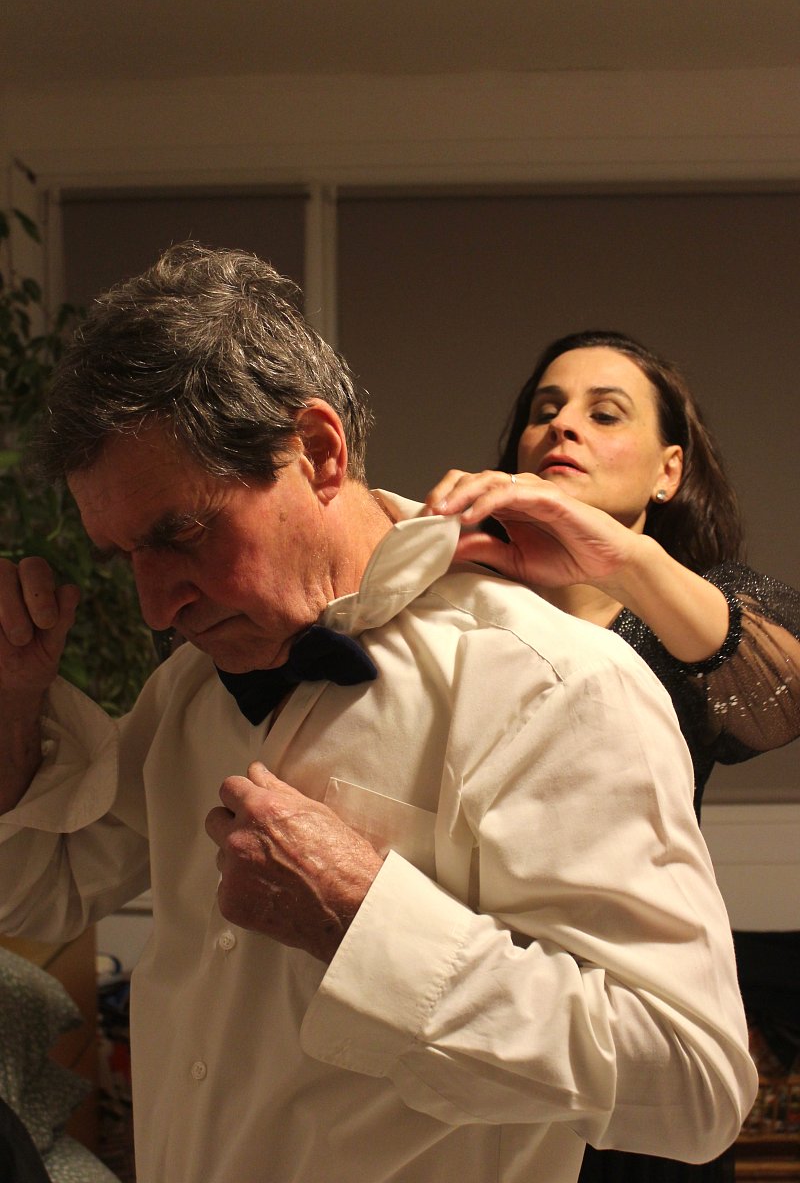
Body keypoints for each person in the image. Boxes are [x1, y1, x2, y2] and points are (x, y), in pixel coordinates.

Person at [0, 252, 757, 1183]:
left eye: (182, 533)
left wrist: (362, 920)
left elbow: (694, 1084)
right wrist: (13, 704)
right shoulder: (189, 689)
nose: (156, 606)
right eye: (125, 557)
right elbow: (37, 893)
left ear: (318, 453)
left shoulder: (550, 683)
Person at [425, 329, 800, 1180]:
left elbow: (784, 694)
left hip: (640, 1032)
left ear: (668, 472)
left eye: (605, 414)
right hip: (488, 1020)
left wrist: (623, 560)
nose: (563, 426)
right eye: (545, 410)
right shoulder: (464, 610)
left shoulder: (699, 611)